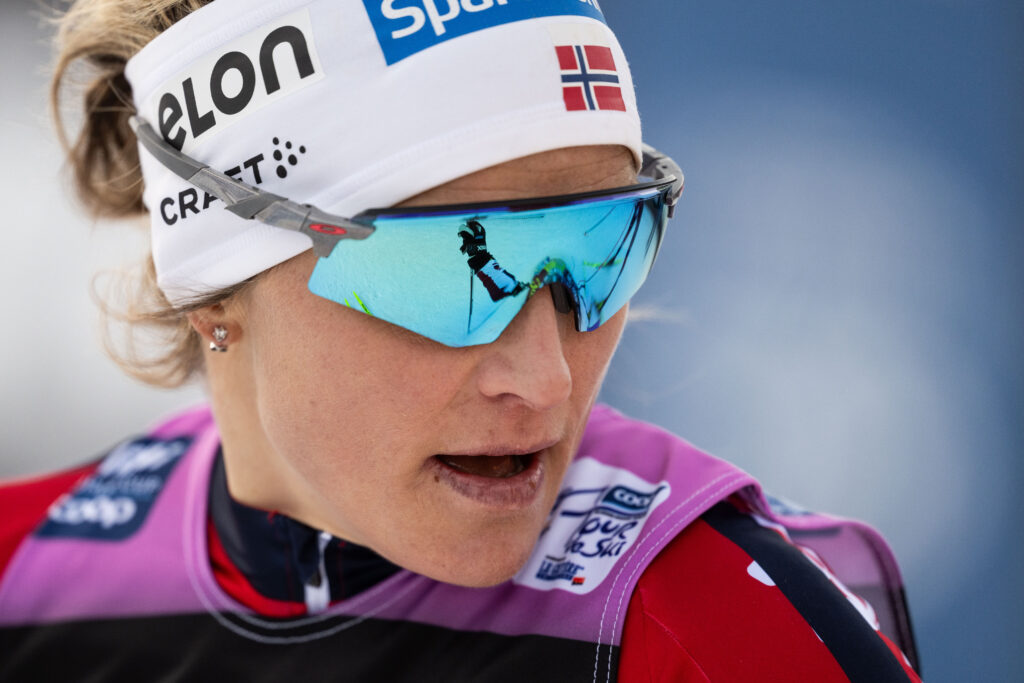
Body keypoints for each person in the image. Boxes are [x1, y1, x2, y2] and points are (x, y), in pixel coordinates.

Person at [0, 0, 923, 680]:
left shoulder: (718, 630)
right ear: (212, 290)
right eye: (450, 272)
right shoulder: (27, 580)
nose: (548, 379)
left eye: (601, 252)